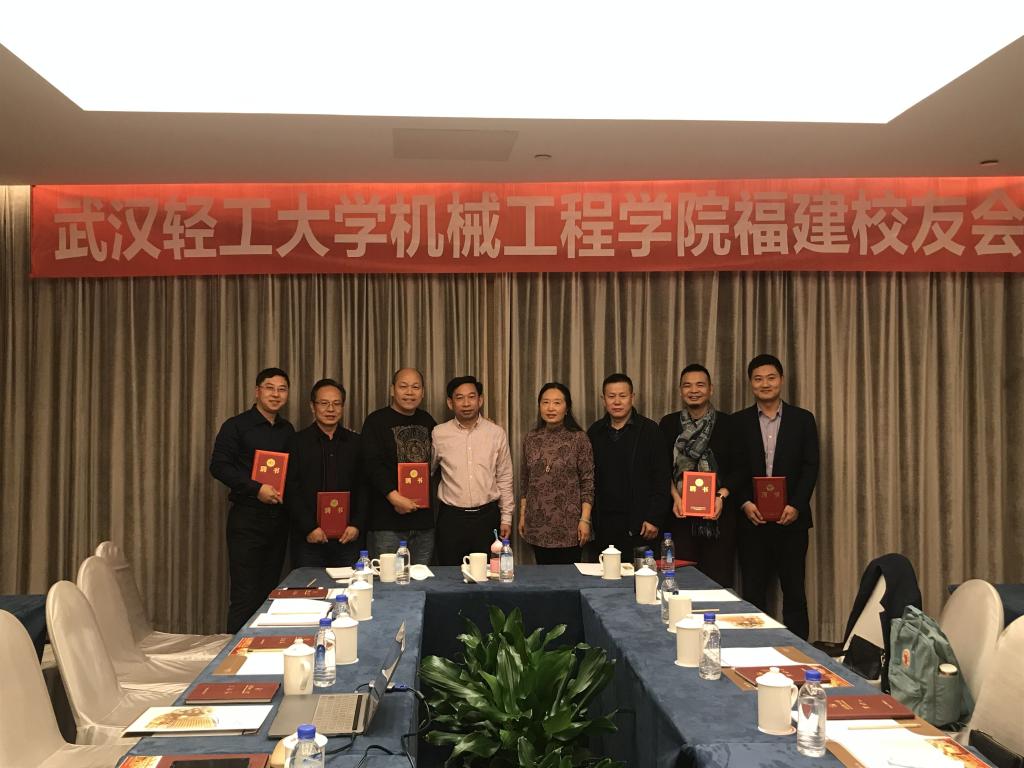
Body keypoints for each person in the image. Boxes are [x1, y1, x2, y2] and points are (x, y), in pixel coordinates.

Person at [732, 354, 819, 639]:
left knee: (794, 590)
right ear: (750, 383)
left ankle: (800, 651)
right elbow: (733, 469)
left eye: (771, 378)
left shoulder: (803, 419)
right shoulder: (738, 422)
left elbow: (810, 466)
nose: (765, 384)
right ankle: (755, 646)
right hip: (752, 521)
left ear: (781, 380)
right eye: (758, 379)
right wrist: (744, 503)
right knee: (753, 592)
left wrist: (796, 505)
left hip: (791, 521)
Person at [210, 367, 295, 633]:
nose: (276, 394)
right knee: (244, 594)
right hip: (247, 519)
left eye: (282, 389)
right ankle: (233, 654)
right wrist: (256, 489)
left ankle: (261, 648)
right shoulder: (236, 426)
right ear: (257, 391)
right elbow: (219, 466)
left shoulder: (287, 430)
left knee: (269, 592)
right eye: (270, 388)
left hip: (278, 520)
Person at [658, 364, 739, 587]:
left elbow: (739, 469)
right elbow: (661, 468)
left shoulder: (729, 424)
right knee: (682, 585)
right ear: (680, 390)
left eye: (700, 385)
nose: (694, 390)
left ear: (711, 389)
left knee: (717, 586)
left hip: (718, 519)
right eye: (687, 385)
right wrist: (675, 497)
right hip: (679, 517)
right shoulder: (668, 424)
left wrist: (721, 497)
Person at [587, 373, 670, 561]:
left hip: (641, 525)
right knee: (605, 576)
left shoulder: (650, 431)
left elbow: (662, 477)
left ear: (632, 397)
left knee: (639, 577)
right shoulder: (595, 432)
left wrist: (654, 517)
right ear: (603, 400)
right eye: (611, 396)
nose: (617, 402)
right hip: (604, 525)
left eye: (622, 396)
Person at [431, 376, 514, 565]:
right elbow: (428, 470)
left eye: (471, 397)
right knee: (450, 575)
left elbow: (504, 477)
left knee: (489, 574)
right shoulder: (439, 433)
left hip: (487, 517)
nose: (466, 403)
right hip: (451, 518)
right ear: (450, 403)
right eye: (459, 398)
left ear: (480, 400)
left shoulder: (496, 433)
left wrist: (506, 518)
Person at [285, 378, 368, 568]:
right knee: (309, 586)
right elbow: (291, 489)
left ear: (343, 407)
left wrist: (356, 525)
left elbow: (364, 487)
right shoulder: (297, 442)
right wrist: (309, 527)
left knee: (350, 586)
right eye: (324, 403)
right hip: (308, 538)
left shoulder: (356, 442)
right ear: (312, 407)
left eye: (336, 403)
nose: (331, 409)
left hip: (348, 538)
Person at [361, 367, 437, 565]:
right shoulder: (375, 421)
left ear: (423, 392)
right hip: (387, 523)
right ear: (392, 390)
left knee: (422, 578)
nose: (409, 392)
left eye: (415, 387)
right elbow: (371, 465)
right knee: (388, 579)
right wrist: (394, 497)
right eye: (403, 386)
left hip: (423, 523)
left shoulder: (428, 421)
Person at [519, 382, 595, 564]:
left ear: (567, 408)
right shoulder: (531, 438)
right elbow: (525, 481)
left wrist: (585, 520)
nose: (550, 408)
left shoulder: (579, 438)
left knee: (568, 576)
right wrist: (523, 516)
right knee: (542, 576)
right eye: (545, 402)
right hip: (537, 523)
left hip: (569, 525)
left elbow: (588, 482)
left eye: (557, 403)